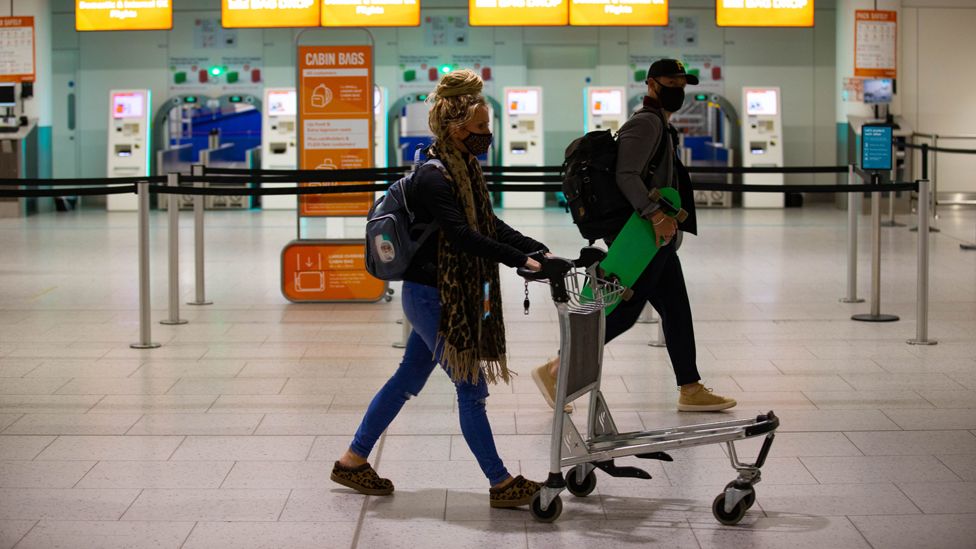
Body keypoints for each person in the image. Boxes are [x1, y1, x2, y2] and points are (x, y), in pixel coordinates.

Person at [332, 69, 550, 508]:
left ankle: (352, 460)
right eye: (480, 129)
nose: (486, 136)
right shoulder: (435, 176)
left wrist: (537, 250)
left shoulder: (463, 167)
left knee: (406, 380)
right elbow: (463, 236)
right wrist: (519, 261)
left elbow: (488, 225)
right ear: (456, 128)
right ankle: (501, 482)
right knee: (471, 388)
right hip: (431, 296)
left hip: (439, 294)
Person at [533, 59, 737, 413]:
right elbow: (626, 175)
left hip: (652, 235)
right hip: (638, 234)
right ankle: (556, 368)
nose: (677, 87)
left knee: (675, 307)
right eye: (670, 81)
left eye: (681, 82)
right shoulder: (645, 123)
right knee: (625, 310)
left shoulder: (660, 123)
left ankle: (690, 387)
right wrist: (655, 215)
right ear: (651, 85)